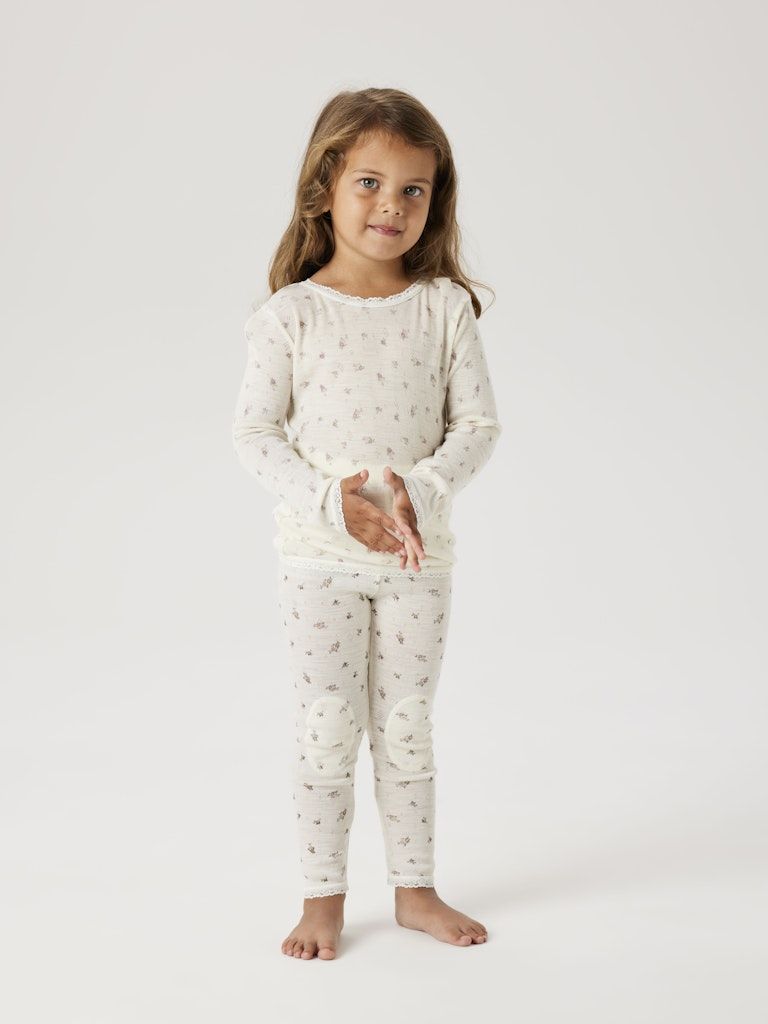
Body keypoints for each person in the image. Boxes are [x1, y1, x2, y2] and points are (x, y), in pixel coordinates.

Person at [231, 87, 502, 959]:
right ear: (324, 188)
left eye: (414, 189)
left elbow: (477, 425)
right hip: (320, 564)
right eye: (370, 183)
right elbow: (254, 433)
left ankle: (416, 891)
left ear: (435, 199)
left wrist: (419, 489)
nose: (392, 205)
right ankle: (323, 899)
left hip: (418, 562)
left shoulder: (443, 308)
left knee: (407, 724)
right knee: (327, 727)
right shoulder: (289, 315)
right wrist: (329, 502)